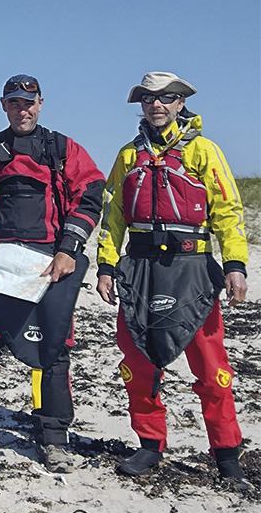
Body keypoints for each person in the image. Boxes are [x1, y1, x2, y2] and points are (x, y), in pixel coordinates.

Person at [0, 75, 105, 472]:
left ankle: (54, 439)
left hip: (49, 266)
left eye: (28, 102)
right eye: (13, 102)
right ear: (3, 105)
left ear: (40, 103)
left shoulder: (61, 149)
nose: (21, 109)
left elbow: (91, 192)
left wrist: (68, 250)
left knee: (53, 354)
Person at [95, 72, 251, 490]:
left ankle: (226, 454)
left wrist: (235, 263)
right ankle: (149, 443)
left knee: (211, 366)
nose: (156, 105)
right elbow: (112, 219)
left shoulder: (204, 151)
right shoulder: (129, 156)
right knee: (137, 360)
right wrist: (106, 267)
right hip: (140, 269)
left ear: (181, 103)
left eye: (165, 99)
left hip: (192, 269)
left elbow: (228, 211)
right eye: (148, 99)